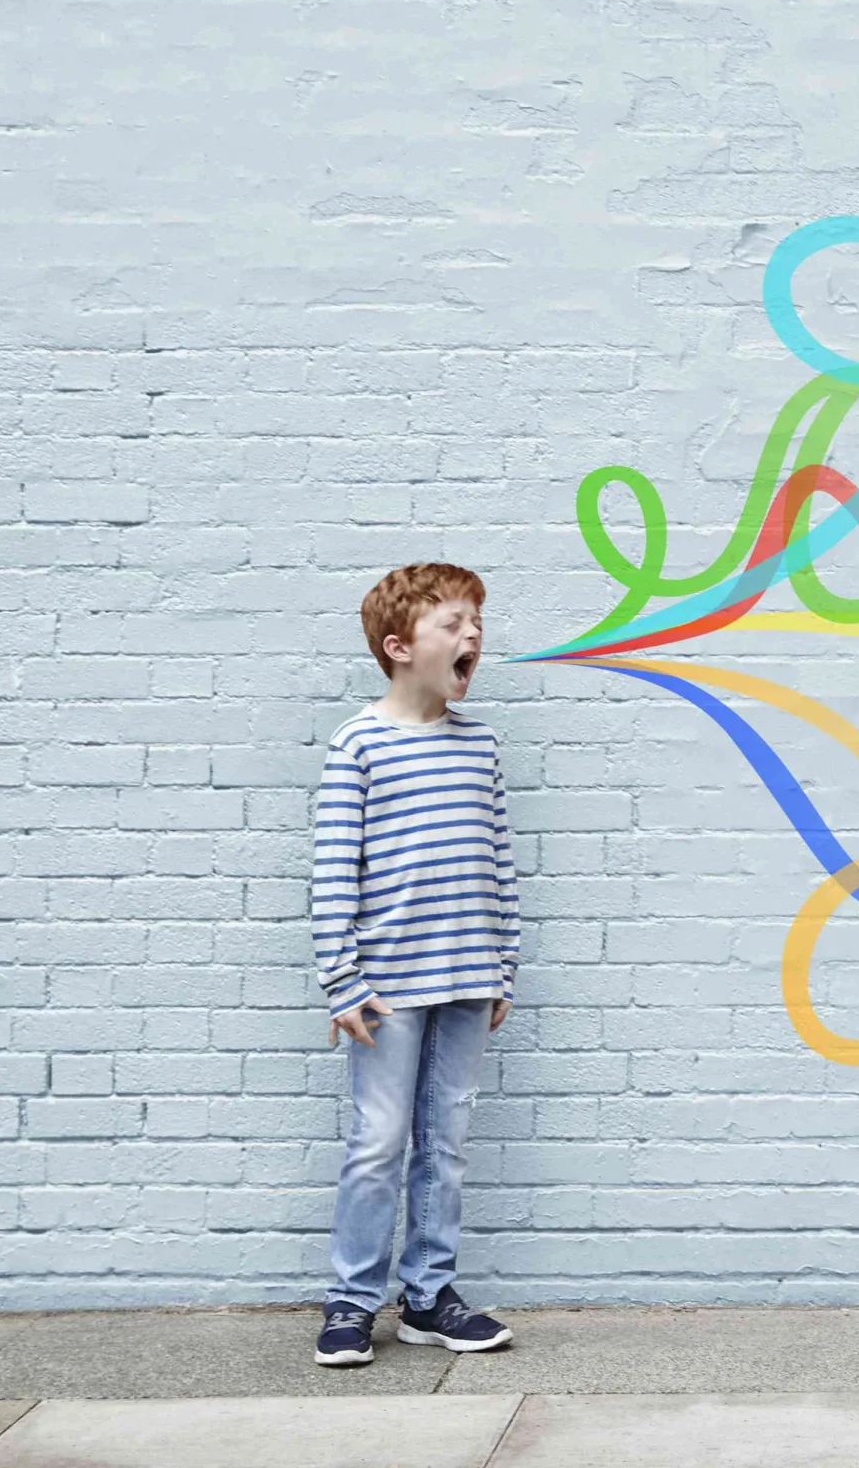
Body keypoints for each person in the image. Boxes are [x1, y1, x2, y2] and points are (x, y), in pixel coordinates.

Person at [311, 562, 520, 1367]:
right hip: (385, 990)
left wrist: (505, 961)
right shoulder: (359, 744)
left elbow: (499, 857)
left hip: (469, 978)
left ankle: (428, 1295)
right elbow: (334, 873)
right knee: (379, 1139)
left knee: (448, 1142)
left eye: (478, 625)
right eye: (454, 625)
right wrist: (343, 978)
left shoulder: (480, 743)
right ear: (400, 647)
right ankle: (352, 1300)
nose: (473, 637)